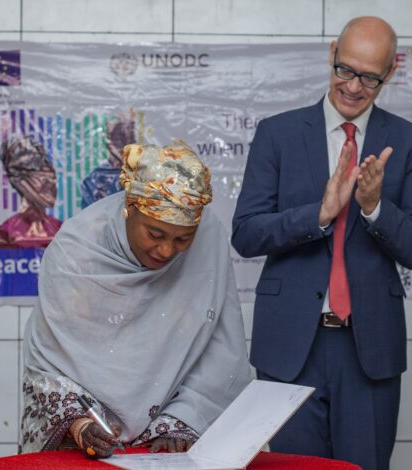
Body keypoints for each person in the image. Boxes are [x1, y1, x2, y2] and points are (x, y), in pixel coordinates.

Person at [231, 17, 412, 470]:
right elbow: (245, 234)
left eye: (370, 77)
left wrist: (375, 207)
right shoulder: (277, 134)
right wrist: (318, 214)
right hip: (289, 348)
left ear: (389, 74)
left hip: (369, 352)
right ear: (331, 54)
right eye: (346, 69)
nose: (354, 86)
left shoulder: (408, 143)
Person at [20, 141, 254, 458]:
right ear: (129, 208)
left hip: (170, 438)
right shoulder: (76, 251)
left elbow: (219, 347)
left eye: (183, 239)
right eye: (155, 234)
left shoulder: (209, 236)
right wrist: (79, 424)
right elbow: (48, 359)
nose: (167, 251)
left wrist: (181, 420)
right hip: (83, 434)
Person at [0, 134, 62, 249]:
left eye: (53, 181)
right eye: (45, 182)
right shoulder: (5, 235)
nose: (52, 188)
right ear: (20, 182)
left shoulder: (60, 229)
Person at [80, 116, 137, 208]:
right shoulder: (94, 179)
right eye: (120, 138)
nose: (126, 145)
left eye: (130, 138)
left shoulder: (141, 177)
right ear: (110, 143)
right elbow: (87, 217)